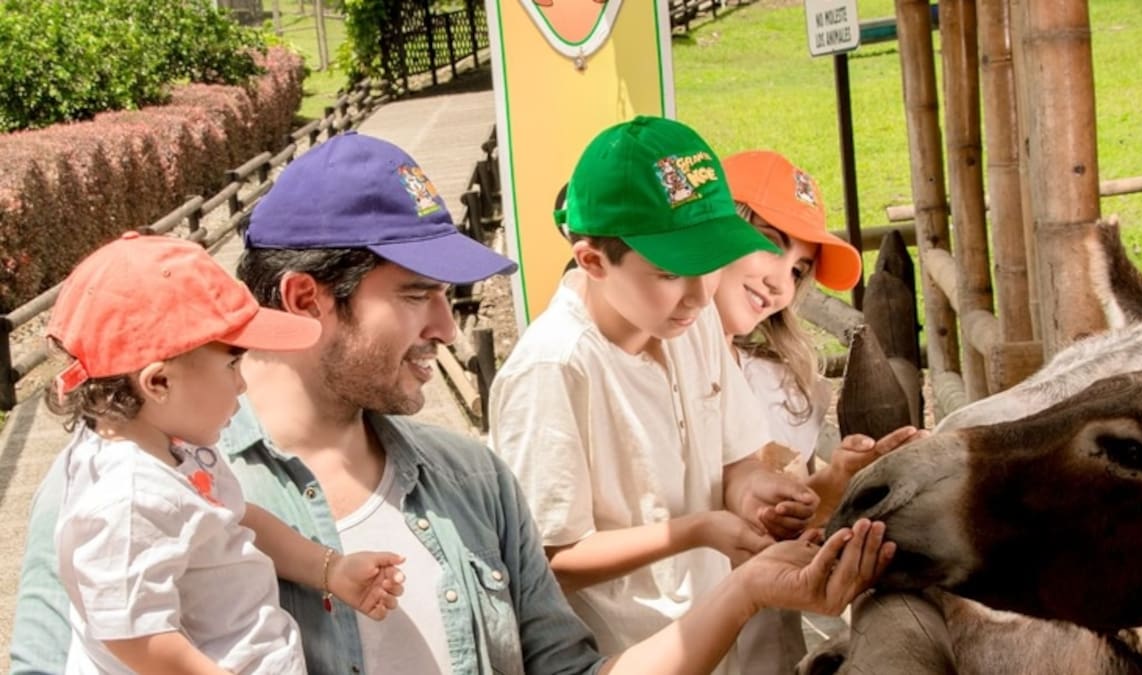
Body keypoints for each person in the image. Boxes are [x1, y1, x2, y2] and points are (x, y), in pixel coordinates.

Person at [11, 131, 893, 675]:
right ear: (307, 300)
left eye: (448, 295)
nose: (445, 323)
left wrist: (739, 594)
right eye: (414, 294)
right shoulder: (123, 483)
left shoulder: (473, 483)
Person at [488, 116, 894, 673]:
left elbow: (736, 463)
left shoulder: (690, 323)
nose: (700, 295)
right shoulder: (553, 369)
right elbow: (551, 559)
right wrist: (697, 531)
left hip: (720, 645)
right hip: (625, 654)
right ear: (593, 261)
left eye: (708, 264)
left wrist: (761, 496)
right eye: (670, 272)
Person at [40, 233, 404, 673]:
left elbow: (234, 519)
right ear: (158, 383)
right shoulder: (128, 497)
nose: (242, 383)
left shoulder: (167, 448)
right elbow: (135, 636)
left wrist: (331, 569)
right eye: (232, 364)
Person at [716, 151, 926, 672]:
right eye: (767, 244)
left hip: (766, 651)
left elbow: (790, 520)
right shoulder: (642, 374)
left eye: (799, 270)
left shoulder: (783, 386)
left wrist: (839, 476)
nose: (779, 284)